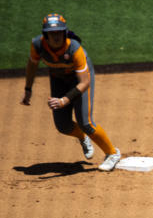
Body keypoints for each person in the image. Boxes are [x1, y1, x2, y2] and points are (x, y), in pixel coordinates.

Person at [20, 13, 122, 172]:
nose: (56, 37)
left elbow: (85, 82)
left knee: (85, 122)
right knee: (63, 125)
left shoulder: (74, 48)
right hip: (58, 79)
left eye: (59, 32)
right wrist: (28, 89)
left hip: (79, 79)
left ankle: (113, 153)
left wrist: (65, 100)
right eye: (52, 33)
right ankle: (82, 137)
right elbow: (32, 65)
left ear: (64, 32)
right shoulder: (38, 45)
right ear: (45, 35)